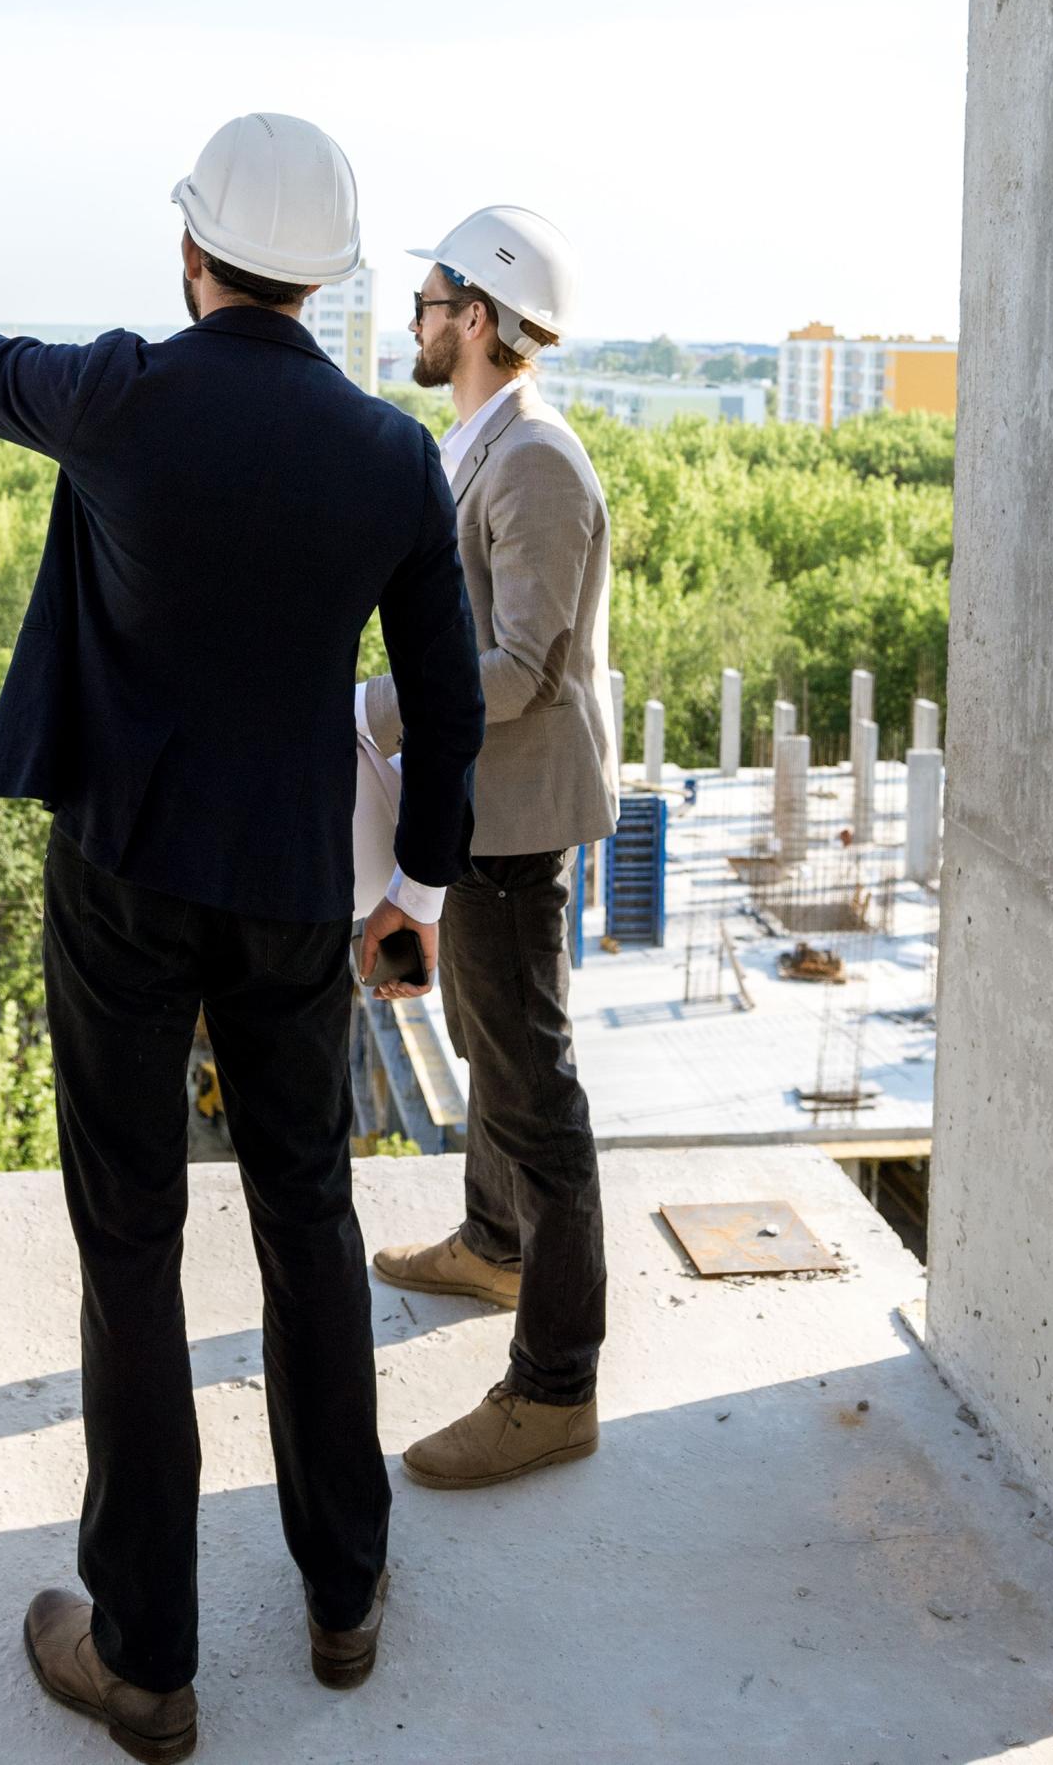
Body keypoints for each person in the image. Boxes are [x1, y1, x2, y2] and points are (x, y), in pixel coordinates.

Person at [0, 112, 483, 1763]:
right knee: (306, 1219)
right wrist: (421, 897)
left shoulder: (119, 393)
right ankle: (342, 1586)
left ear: (194, 254)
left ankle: (147, 1656)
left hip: (121, 878)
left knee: (129, 1239)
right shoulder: (388, 455)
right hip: (294, 894)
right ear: (323, 278)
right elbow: (447, 704)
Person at [356, 206, 617, 1491]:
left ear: (478, 319)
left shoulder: (536, 464)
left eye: (429, 299)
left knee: (531, 1084)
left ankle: (555, 1384)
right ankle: (492, 1239)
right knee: (487, 1038)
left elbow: (526, 664)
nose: (414, 318)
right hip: (481, 810)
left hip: (516, 816)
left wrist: (375, 706)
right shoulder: (481, 444)